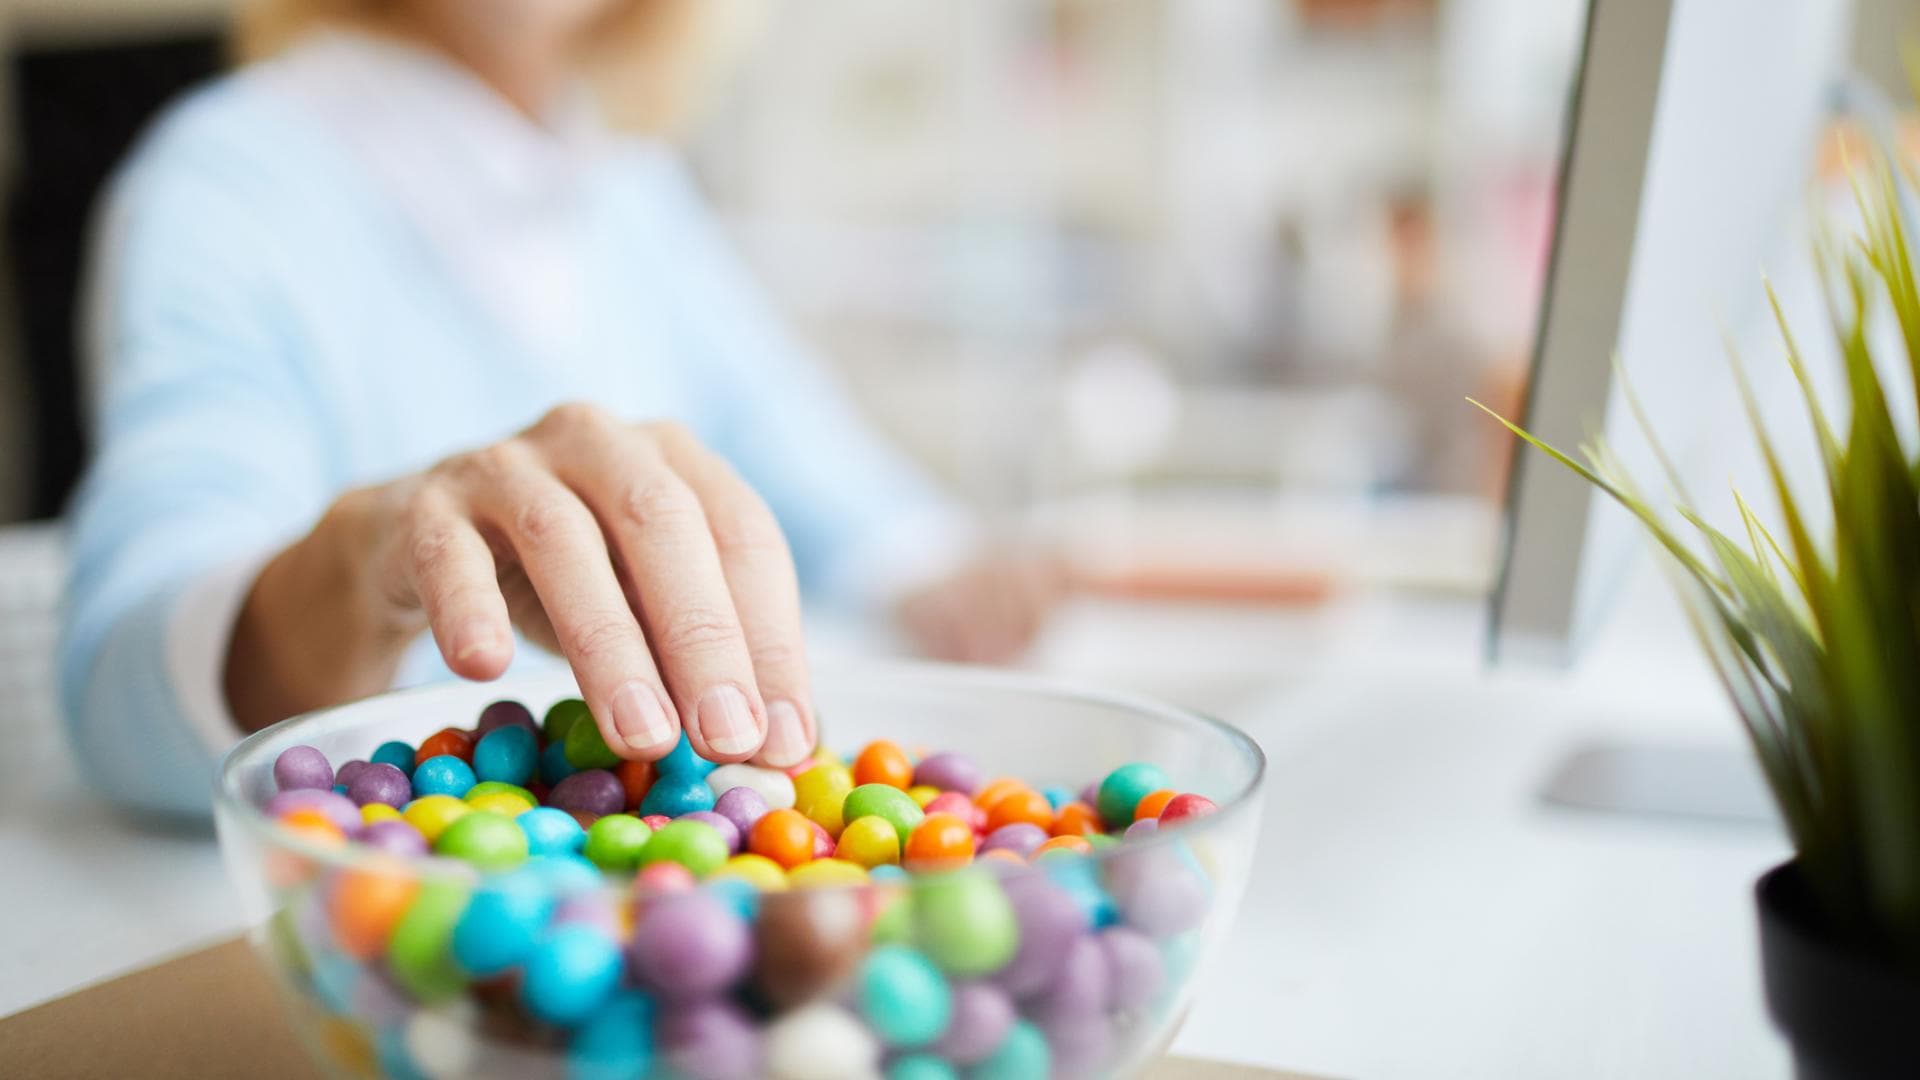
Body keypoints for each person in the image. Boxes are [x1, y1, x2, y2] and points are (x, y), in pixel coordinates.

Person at [60, 0, 1059, 818]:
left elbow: (801, 442)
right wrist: (366, 559)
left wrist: (934, 558)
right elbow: (122, 688)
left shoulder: (627, 184)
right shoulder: (221, 180)